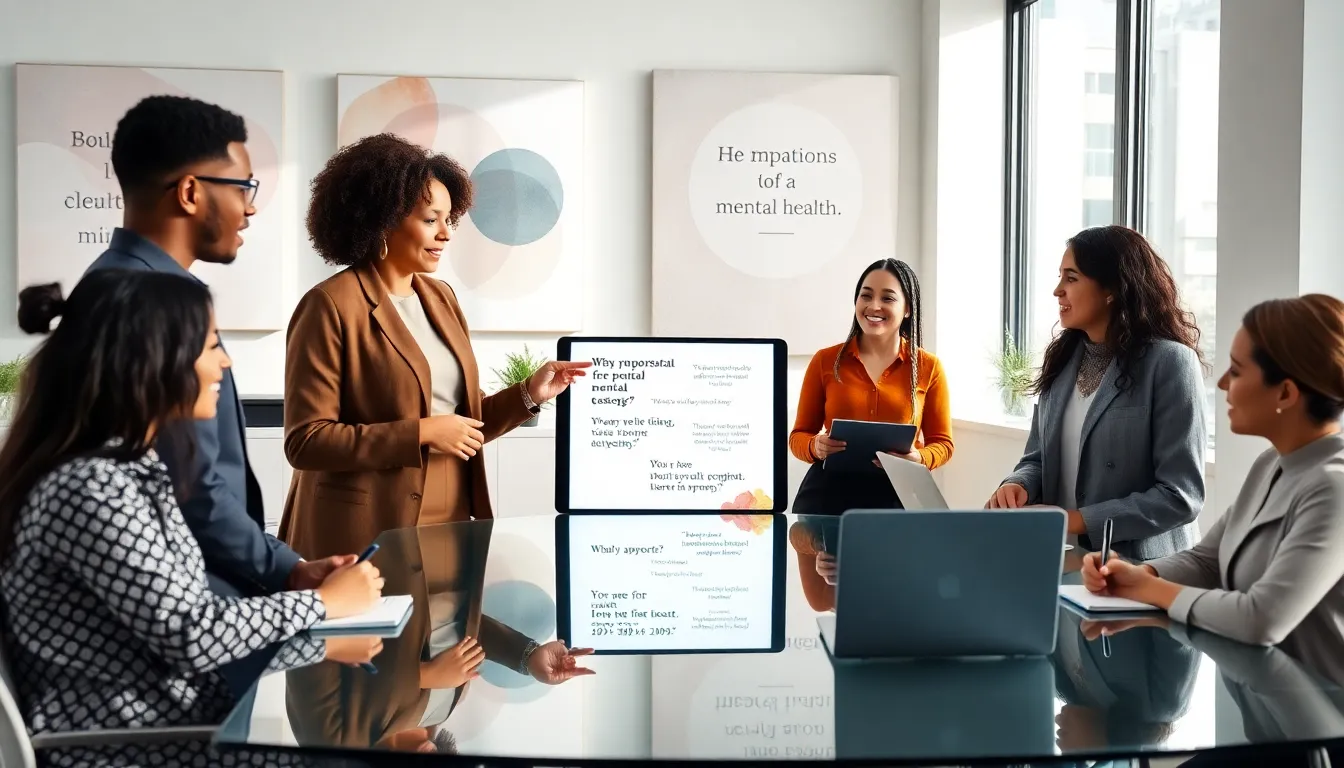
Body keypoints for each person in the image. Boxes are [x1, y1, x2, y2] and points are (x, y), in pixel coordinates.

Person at [0, 270, 383, 760]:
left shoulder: (128, 472)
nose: (225, 361)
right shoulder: (92, 488)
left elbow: (185, 629)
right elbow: (190, 634)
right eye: (210, 346)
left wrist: (321, 642)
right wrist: (323, 604)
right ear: (155, 360)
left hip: (176, 737)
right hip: (137, 752)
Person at [81, 94, 349, 598]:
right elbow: (191, 485)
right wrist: (287, 570)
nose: (250, 207)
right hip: (193, 599)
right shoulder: (147, 303)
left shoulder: (120, 284)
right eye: (243, 187)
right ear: (189, 192)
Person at [279, 133, 589, 560]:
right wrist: (422, 433)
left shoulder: (441, 298)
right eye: (430, 220)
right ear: (382, 220)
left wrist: (529, 394)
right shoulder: (329, 305)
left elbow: (461, 426)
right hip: (364, 534)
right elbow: (306, 442)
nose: (446, 234)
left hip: (451, 526)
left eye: (449, 220)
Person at [1083, 294, 1344, 666]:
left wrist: (1149, 588)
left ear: (1286, 392)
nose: (1221, 384)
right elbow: (1208, 562)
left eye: (1236, 371)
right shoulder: (1271, 464)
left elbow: (1262, 620)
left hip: (1313, 700)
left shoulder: (1334, 489)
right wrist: (1138, 573)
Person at [987, 225, 1207, 561]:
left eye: (1071, 278)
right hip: (1065, 557)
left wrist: (1075, 520)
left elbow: (1180, 496)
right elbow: (1037, 458)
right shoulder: (1061, 361)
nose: (1057, 290)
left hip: (1143, 567)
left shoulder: (1170, 362)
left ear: (1112, 289)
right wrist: (1018, 485)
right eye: (1060, 277)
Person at [285, 520, 594, 753]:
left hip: (361, 533)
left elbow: (309, 642)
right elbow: (455, 622)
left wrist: (423, 676)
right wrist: (529, 657)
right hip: (442, 533)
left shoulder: (328, 741)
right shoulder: (446, 705)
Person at [789, 258, 953, 516]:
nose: (874, 306)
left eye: (887, 298)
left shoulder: (929, 367)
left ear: (907, 309)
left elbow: (943, 444)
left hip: (898, 499)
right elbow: (798, 436)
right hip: (826, 498)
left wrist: (919, 458)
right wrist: (815, 446)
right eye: (866, 296)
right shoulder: (825, 361)